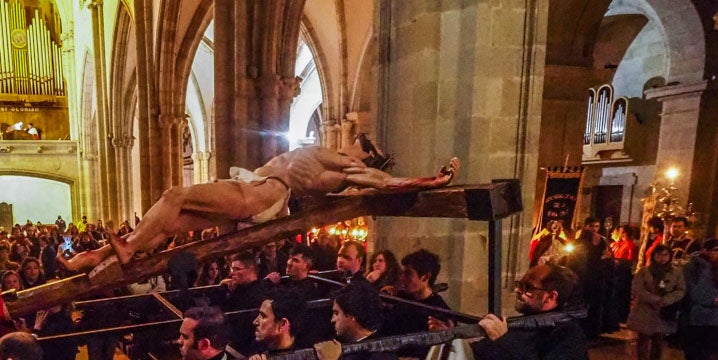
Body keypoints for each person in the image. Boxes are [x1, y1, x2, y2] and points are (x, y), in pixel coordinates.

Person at [58, 137, 459, 270]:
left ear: (363, 154)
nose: (355, 141)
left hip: (261, 193)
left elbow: (385, 184)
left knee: (173, 195)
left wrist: (433, 180)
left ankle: (125, 249)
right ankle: (99, 256)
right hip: (257, 187)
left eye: (363, 145)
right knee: (171, 219)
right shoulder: (328, 157)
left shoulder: (344, 167)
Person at [626, 245, 685, 360]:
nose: (662, 258)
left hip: (663, 311)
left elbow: (680, 289)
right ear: (654, 256)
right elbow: (637, 289)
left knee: (659, 340)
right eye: (659, 255)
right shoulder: (644, 271)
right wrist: (654, 299)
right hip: (645, 310)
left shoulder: (675, 272)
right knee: (643, 339)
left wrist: (668, 299)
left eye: (665, 255)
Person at [681, 239, 718, 360]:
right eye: (712, 249)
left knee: (710, 338)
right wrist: (710, 300)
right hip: (698, 308)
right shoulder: (694, 266)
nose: (715, 253)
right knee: (695, 337)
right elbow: (691, 287)